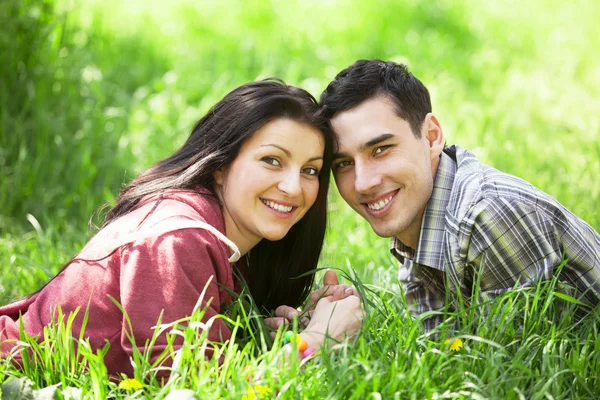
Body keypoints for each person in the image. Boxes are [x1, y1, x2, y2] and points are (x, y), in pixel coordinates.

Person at [0, 80, 363, 377]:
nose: (294, 187)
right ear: (220, 165)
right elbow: (192, 383)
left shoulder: (226, 236)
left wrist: (266, 332)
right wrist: (317, 341)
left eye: (310, 170)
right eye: (272, 160)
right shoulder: (178, 239)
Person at [312, 59, 599, 331]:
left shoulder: (486, 215)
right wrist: (327, 330)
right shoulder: (420, 223)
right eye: (344, 163)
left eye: (381, 149)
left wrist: (308, 348)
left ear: (431, 137)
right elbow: (446, 351)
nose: (363, 183)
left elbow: (514, 370)